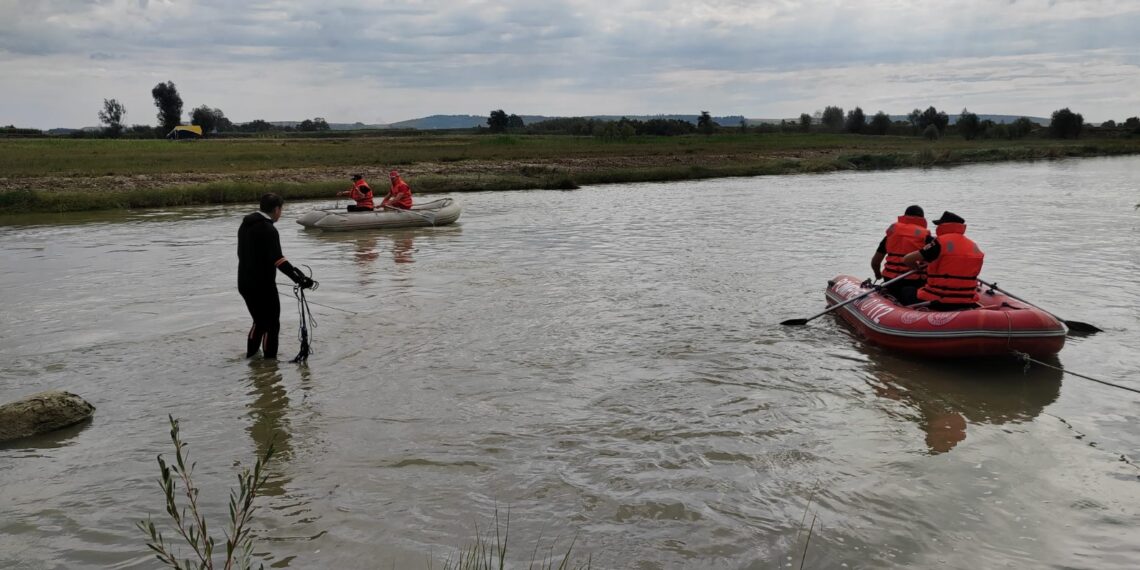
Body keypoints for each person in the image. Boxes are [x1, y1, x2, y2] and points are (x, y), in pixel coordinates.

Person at [238, 193, 315, 359]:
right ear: (277, 209)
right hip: (262, 285)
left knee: (259, 321)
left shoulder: (246, 225)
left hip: (244, 282)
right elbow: (278, 259)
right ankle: (270, 364)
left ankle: (251, 358)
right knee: (272, 324)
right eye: (281, 210)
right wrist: (299, 278)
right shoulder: (268, 229)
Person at [903, 211, 984, 311]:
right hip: (966, 301)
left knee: (907, 290)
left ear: (943, 226)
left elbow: (907, 259)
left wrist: (917, 268)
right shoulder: (973, 246)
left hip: (939, 301)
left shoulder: (939, 243)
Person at [870, 205, 931, 306]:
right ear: (922, 219)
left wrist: (878, 275)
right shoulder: (926, 237)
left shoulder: (890, 235)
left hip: (890, 282)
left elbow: (875, 262)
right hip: (914, 283)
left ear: (905, 216)